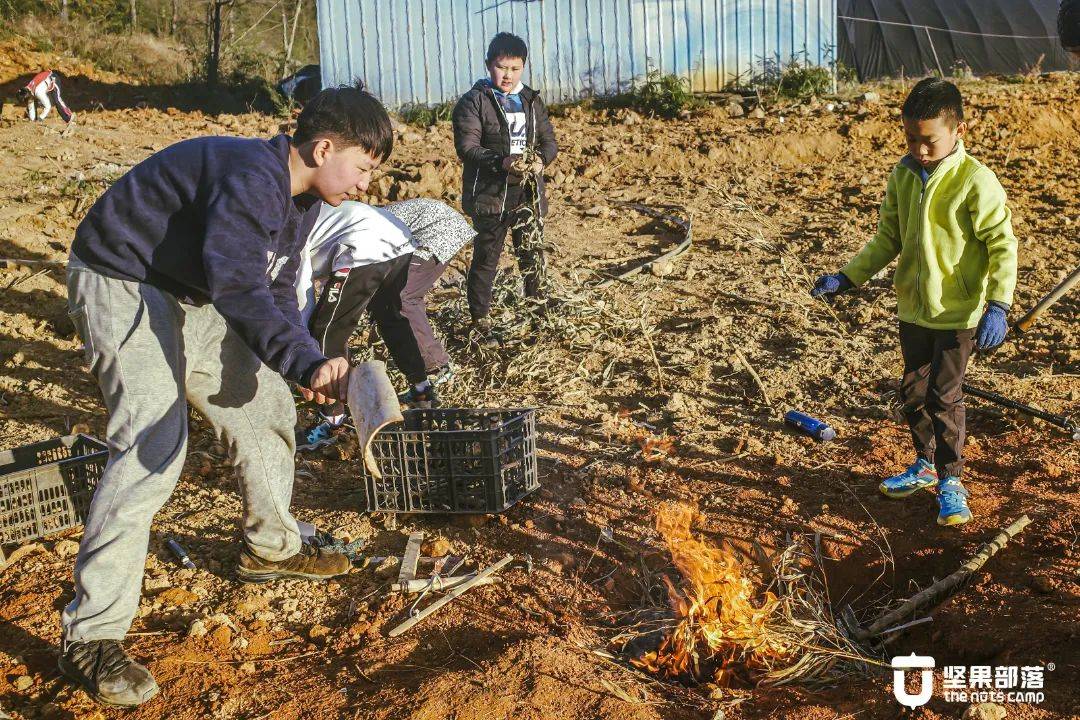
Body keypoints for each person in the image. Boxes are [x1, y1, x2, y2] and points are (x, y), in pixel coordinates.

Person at [60, 82, 392, 707]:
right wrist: (304, 360)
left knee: (263, 404)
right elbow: (240, 287)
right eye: (364, 168)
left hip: (191, 288)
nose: (366, 185)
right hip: (121, 276)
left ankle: (271, 548)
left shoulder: (300, 203)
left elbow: (277, 291)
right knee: (153, 444)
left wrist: (310, 362)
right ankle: (91, 635)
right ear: (324, 149)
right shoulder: (251, 176)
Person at [811, 77, 1018, 528]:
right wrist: (849, 276)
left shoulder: (975, 181)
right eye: (911, 139)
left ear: (958, 130)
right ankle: (925, 465)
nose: (920, 150)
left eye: (929, 141)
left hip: (959, 313)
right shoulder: (903, 175)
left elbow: (1002, 244)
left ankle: (950, 480)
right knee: (912, 394)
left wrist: (998, 304)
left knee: (944, 398)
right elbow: (888, 238)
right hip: (913, 309)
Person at [294, 200, 432, 451]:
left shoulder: (287, 227)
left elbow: (301, 291)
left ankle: (332, 420)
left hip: (364, 246)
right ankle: (421, 389)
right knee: (390, 317)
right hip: (398, 237)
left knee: (325, 332)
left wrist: (303, 348)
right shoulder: (297, 209)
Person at [452, 31, 558, 348]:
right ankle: (480, 323)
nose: (507, 75)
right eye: (501, 68)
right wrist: (503, 163)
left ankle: (539, 317)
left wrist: (541, 160)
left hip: (527, 194)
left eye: (514, 68)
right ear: (489, 66)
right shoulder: (474, 102)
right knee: (486, 261)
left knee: (532, 258)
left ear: (523, 67)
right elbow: (467, 147)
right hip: (490, 196)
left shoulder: (531, 100)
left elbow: (549, 141)